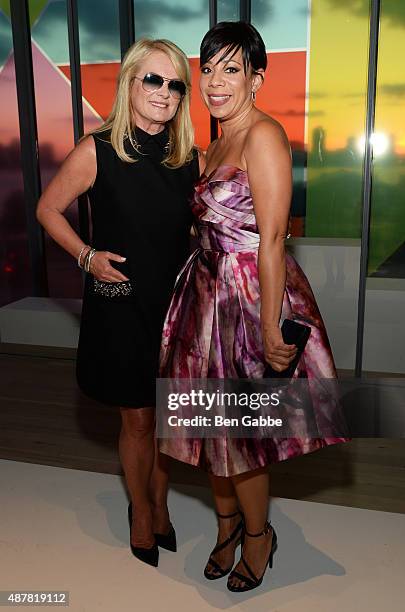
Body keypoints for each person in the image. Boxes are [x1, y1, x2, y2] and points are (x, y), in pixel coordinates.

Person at [159, 22, 349, 592]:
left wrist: (269, 326)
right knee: (209, 428)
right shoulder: (217, 139)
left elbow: (271, 238)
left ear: (257, 80)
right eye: (209, 69)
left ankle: (259, 538)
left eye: (231, 69)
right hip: (206, 292)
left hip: (246, 296)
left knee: (241, 437)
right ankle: (226, 528)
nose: (215, 82)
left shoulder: (264, 135)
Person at [36, 38, 199, 568]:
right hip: (121, 303)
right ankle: (141, 513)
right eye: (153, 79)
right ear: (130, 82)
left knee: (168, 417)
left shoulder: (188, 159)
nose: (164, 92)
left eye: (175, 84)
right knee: (136, 420)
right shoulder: (97, 150)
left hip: (174, 307)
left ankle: (161, 503)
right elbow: (48, 210)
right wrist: (86, 258)